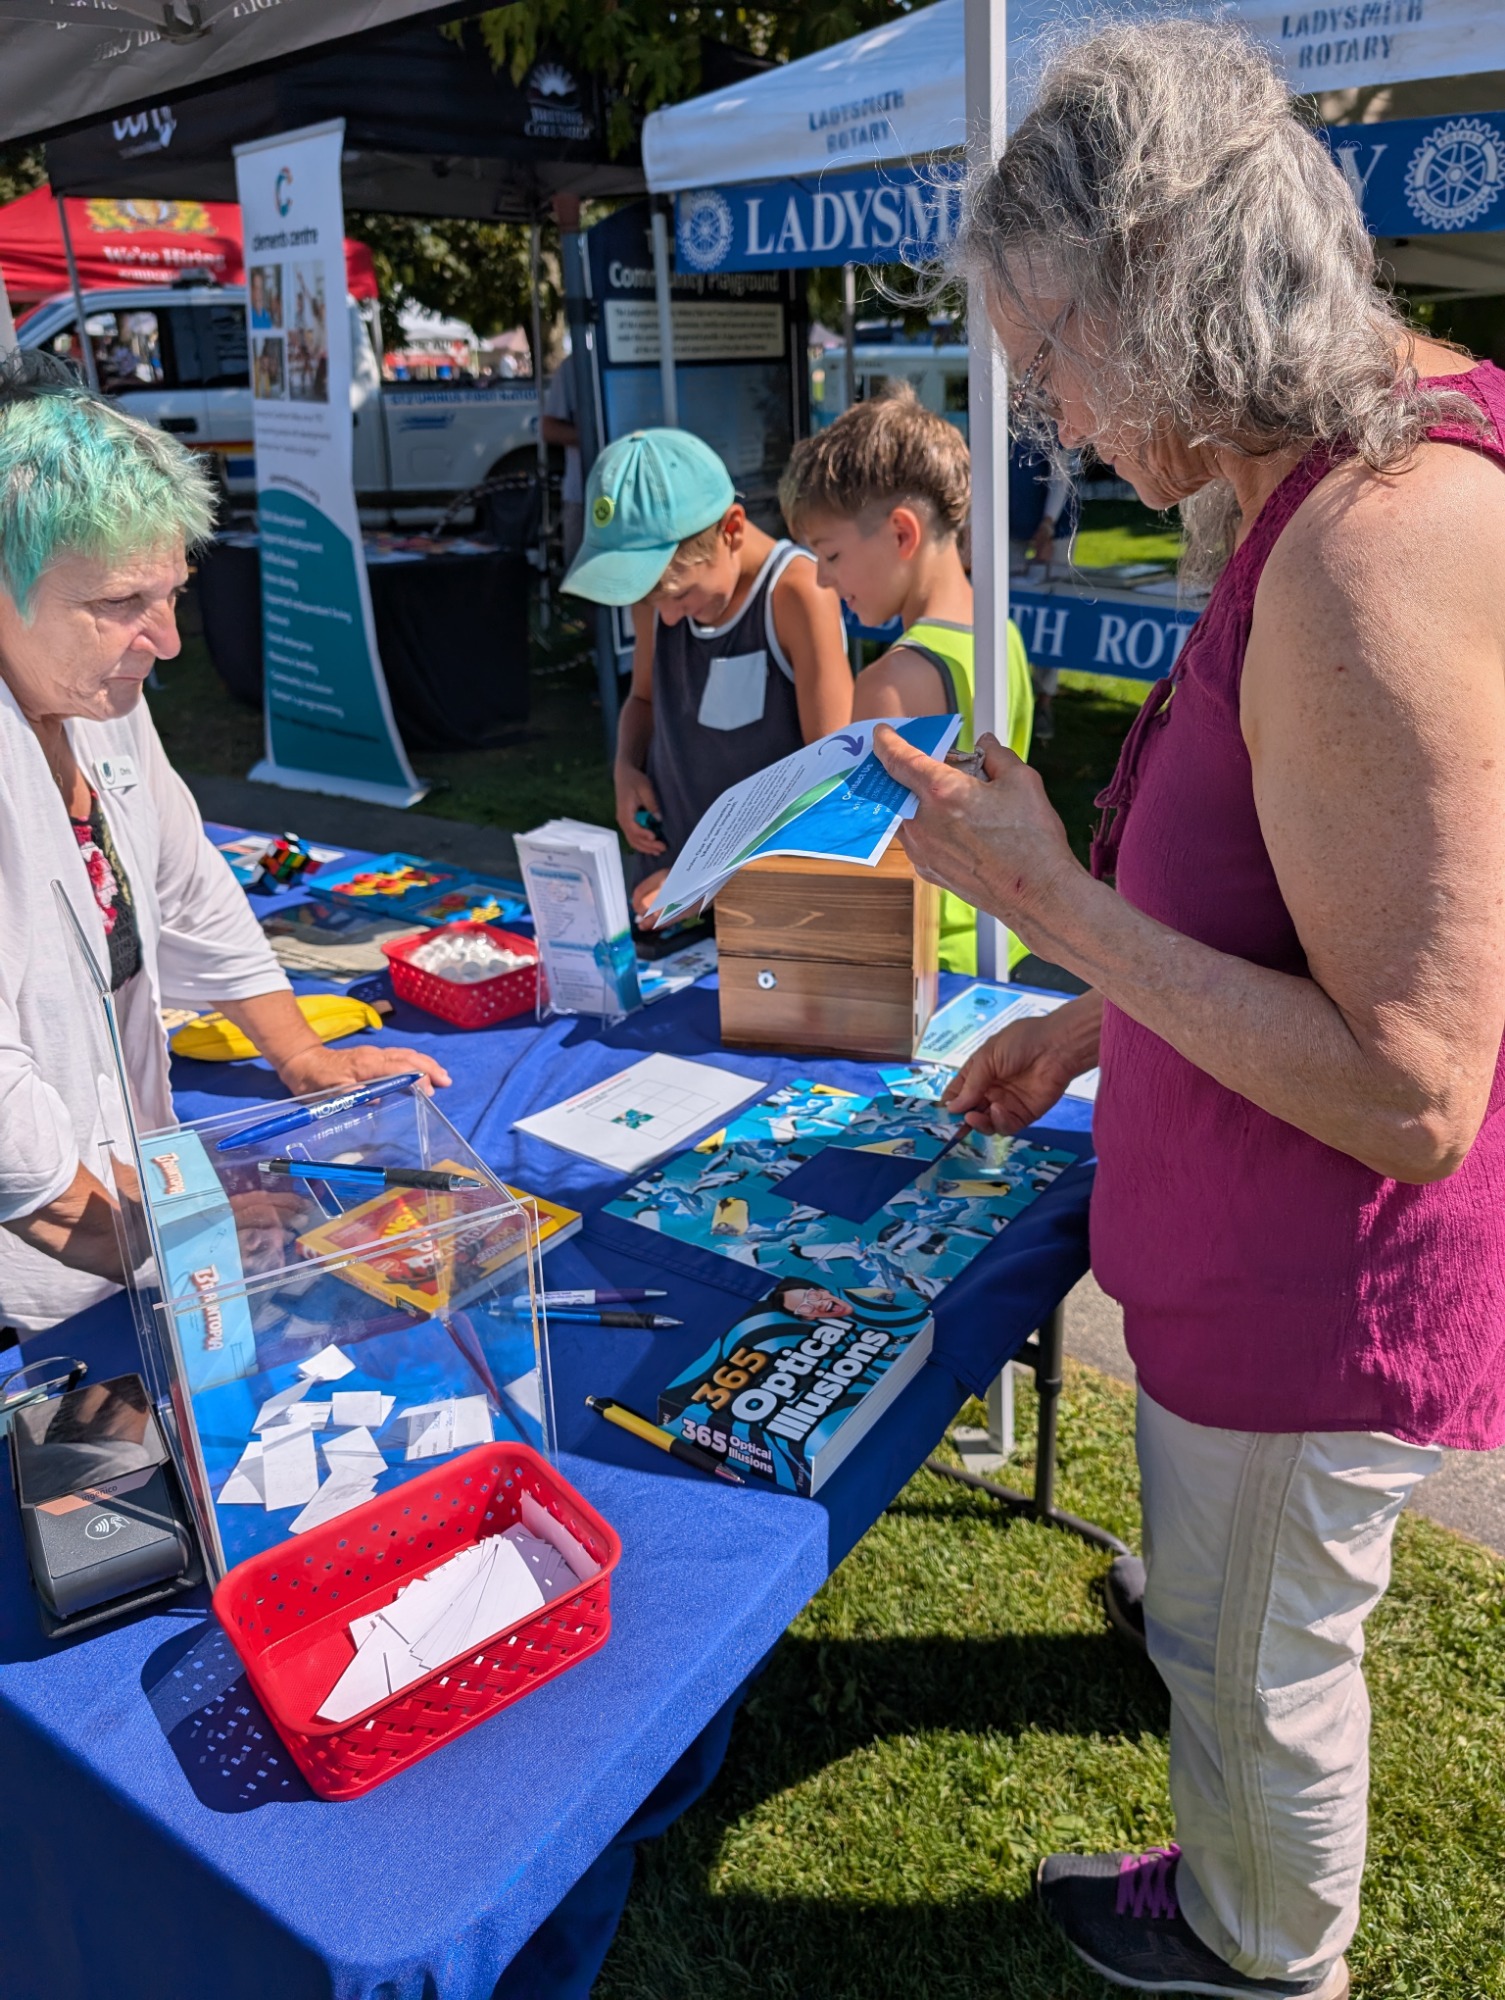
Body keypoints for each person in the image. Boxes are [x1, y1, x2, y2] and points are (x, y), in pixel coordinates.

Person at [874, 20, 1505, 2000]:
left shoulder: (1370, 546)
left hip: (1311, 1300)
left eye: (1052, 357)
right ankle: (1240, 1880)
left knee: (1257, 1669)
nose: (1056, 420)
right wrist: (1086, 1020)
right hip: (1261, 1262)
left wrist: (1051, 907)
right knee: (1229, 1644)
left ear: (1161, 292)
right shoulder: (1312, 484)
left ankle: (1259, 1949)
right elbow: (1304, 910)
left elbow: (1410, 1089)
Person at [0, 353, 447, 1336]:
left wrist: (301, 1055)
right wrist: (164, 1239)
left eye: (173, 592)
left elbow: (187, 887)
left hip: (127, 1203)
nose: (167, 640)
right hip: (35, 1277)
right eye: (120, 603)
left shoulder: (100, 702)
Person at [779, 383, 1033, 973]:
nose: (822, 580)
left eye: (831, 555)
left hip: (925, 961)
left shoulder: (890, 681)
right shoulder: (1002, 634)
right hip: (1005, 940)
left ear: (901, 533)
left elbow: (865, 858)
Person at [563, 427, 851, 912]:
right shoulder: (657, 598)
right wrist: (625, 767)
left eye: (679, 595)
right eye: (650, 598)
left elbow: (830, 777)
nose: (666, 616)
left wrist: (709, 879)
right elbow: (644, 698)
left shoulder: (797, 595)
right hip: (667, 885)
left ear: (731, 530)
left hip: (766, 898)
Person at [541, 357, 584, 570]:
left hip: (641, 495)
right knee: (581, 572)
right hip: (583, 494)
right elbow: (549, 429)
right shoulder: (573, 367)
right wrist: (596, 437)